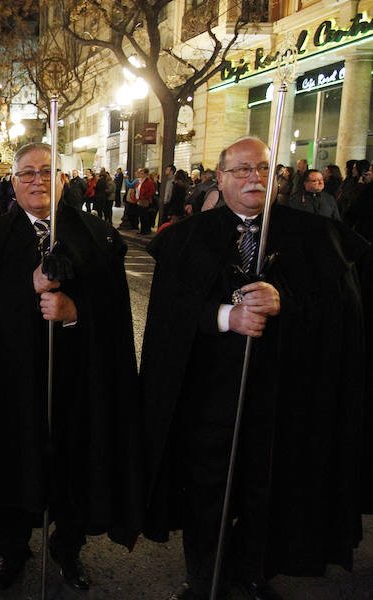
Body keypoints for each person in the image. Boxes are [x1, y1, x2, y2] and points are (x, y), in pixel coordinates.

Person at [141, 136, 368, 600]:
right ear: (220, 178)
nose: (253, 178)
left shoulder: (312, 235)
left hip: (281, 392)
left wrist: (287, 302)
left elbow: (342, 313)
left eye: (263, 169)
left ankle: (253, 571)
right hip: (206, 394)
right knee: (208, 490)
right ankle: (205, 577)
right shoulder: (184, 239)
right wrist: (225, 316)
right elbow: (170, 314)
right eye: (241, 170)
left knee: (264, 486)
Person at [0, 142, 141, 593]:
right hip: (11, 382)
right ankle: (12, 550)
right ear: (13, 183)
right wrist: (27, 288)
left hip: (77, 379)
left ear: (62, 179)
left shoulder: (98, 236)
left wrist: (75, 310)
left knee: (74, 463)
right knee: (12, 462)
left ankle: (68, 546)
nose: (37, 180)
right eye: (26, 174)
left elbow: (115, 313)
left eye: (46, 172)